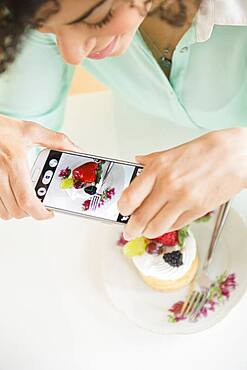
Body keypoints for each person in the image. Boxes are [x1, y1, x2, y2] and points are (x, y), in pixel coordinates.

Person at [0, 0, 247, 241]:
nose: (73, 55)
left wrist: (240, 154)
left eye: (95, 19)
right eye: (47, 29)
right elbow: (22, 134)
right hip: (132, 152)